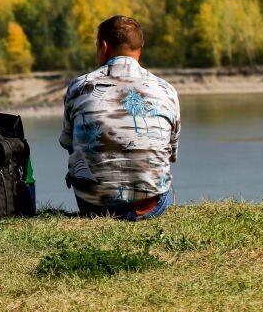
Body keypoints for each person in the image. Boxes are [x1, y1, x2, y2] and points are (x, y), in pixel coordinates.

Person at [59, 15, 180, 220]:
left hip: (93, 207)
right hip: (150, 206)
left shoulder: (79, 87)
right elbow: (171, 152)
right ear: (140, 48)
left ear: (104, 47)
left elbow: (67, 142)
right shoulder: (166, 90)